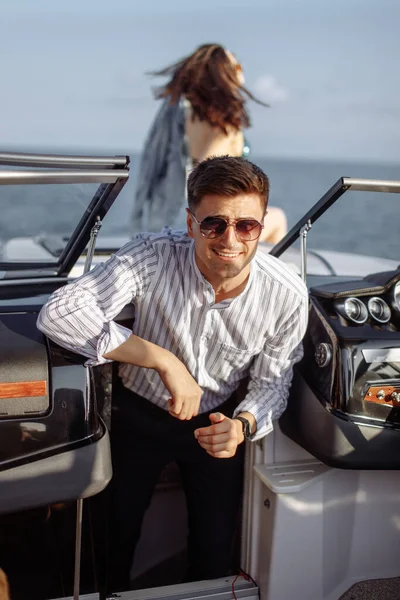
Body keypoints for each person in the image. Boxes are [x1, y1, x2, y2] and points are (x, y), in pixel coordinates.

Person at [37, 156, 308, 591]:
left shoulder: (287, 294)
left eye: (246, 226)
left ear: (261, 225)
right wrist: (164, 360)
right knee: (110, 538)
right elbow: (60, 313)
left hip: (219, 425)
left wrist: (242, 425)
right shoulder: (152, 256)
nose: (230, 239)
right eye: (214, 224)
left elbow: (273, 384)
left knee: (215, 551)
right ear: (190, 222)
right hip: (137, 415)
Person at [133, 43, 287, 243]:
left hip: (182, 215)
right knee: (278, 219)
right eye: (237, 67)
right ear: (224, 72)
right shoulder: (223, 125)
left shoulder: (185, 114)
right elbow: (207, 172)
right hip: (213, 220)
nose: (242, 72)